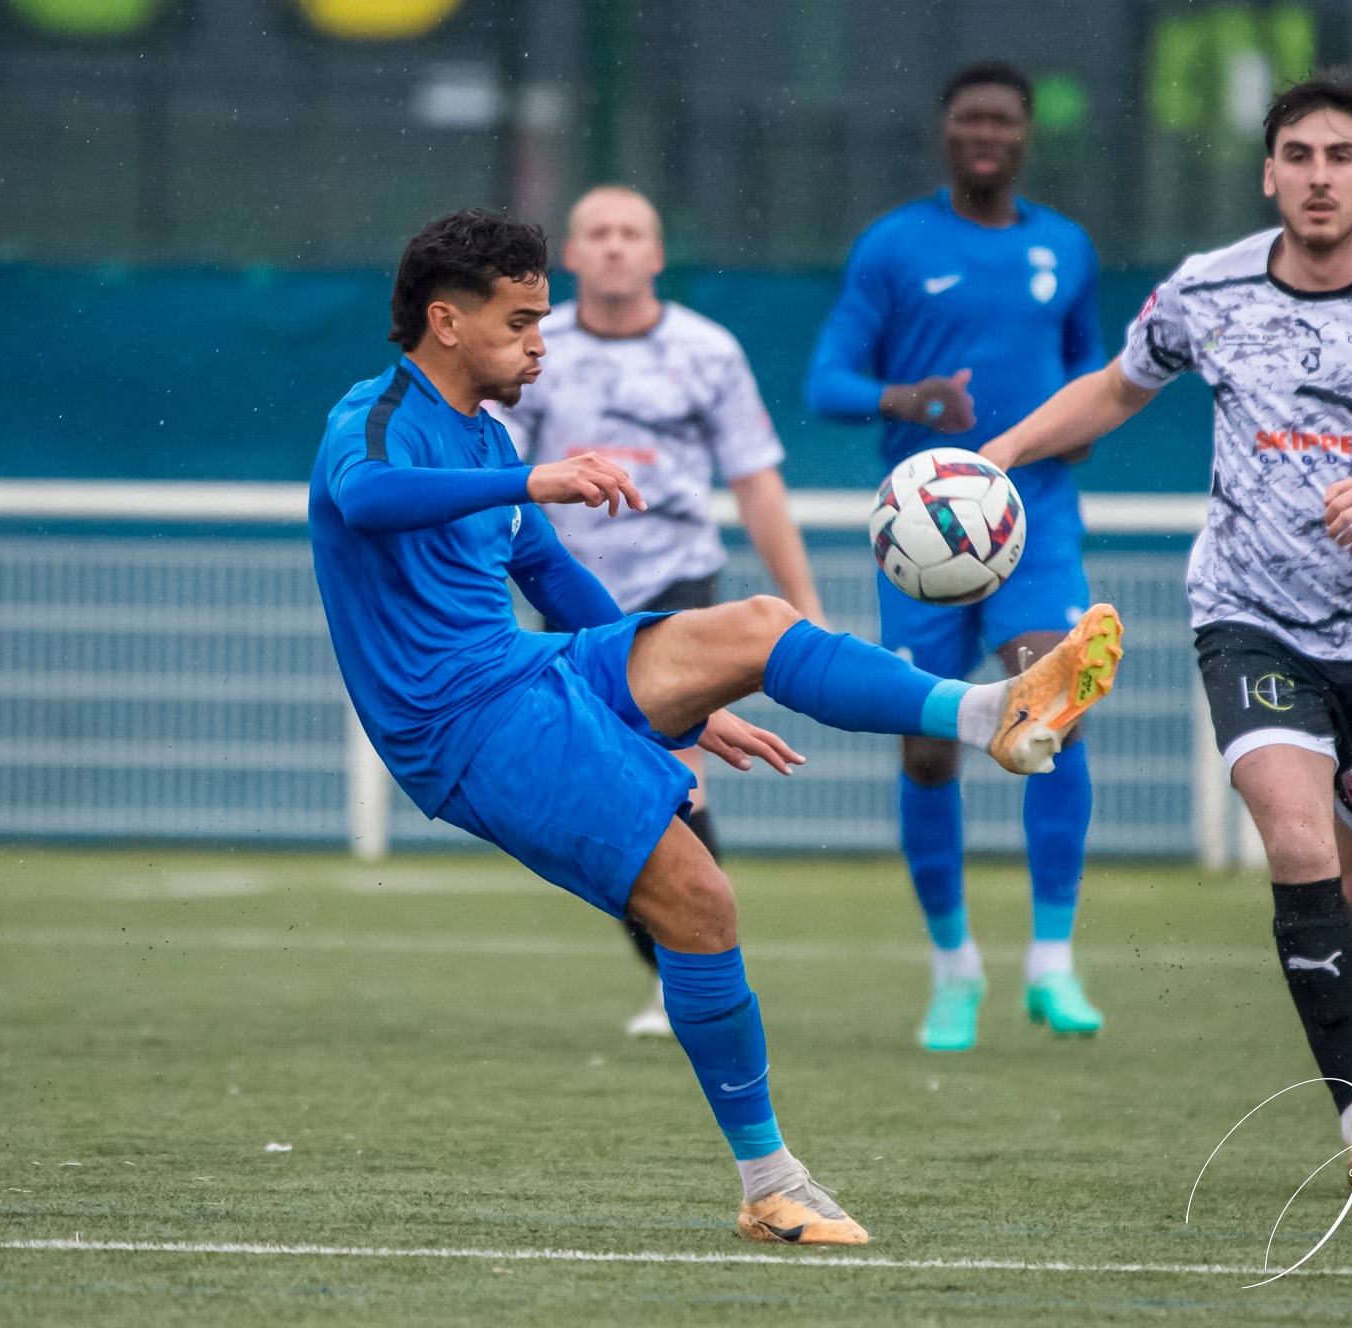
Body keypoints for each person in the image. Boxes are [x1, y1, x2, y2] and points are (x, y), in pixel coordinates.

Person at [309, 208, 1125, 1242]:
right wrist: (538, 476)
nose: (538, 344)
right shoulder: (375, 418)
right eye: (520, 323)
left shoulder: (484, 431)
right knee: (700, 903)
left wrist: (682, 698)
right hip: (459, 720)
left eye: (540, 320)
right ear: (445, 321)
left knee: (754, 625)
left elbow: (550, 574)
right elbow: (370, 498)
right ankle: (768, 1179)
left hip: (528, 670)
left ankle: (986, 712)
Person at [976, 70, 1352, 1194]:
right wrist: (1001, 456)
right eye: (1297, 157)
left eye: (1338, 158)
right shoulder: (1203, 292)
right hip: (1247, 617)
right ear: (1268, 173)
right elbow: (1113, 391)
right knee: (1293, 839)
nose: (1317, 177)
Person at [805, 60, 1110, 1053]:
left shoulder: (1064, 248)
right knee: (926, 741)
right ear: (944, 133)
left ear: (1025, 135)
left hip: (1034, 517)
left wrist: (1071, 432)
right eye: (969, 118)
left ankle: (1052, 962)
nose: (986, 133)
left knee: (1048, 701)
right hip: (925, 540)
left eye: (1003, 120)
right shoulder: (892, 246)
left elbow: (1091, 378)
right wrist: (906, 398)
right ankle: (953, 969)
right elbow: (826, 381)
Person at [492, 185, 825, 1040]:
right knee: (614, 791)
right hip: (565, 595)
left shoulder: (706, 350)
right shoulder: (531, 350)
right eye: (596, 233)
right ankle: (680, 968)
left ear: (656, 253)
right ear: (569, 255)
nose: (612, 247)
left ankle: (692, 975)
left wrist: (804, 600)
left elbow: (755, 481)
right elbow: (496, 484)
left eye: (630, 232)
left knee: (679, 776)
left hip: (678, 587)